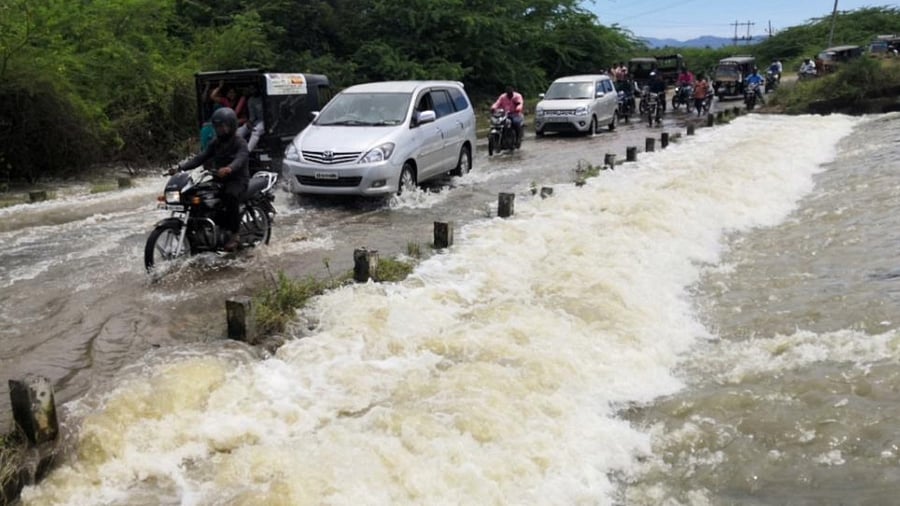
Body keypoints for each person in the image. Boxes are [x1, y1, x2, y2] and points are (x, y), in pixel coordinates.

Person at [170, 107, 249, 252]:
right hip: (218, 178)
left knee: (230, 196)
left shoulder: (240, 142)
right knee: (197, 195)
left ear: (231, 125)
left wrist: (229, 168)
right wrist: (180, 167)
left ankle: (235, 235)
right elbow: (201, 157)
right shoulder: (216, 142)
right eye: (217, 126)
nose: (220, 129)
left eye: (223, 126)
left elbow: (240, 158)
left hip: (237, 180)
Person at [237, 84, 264, 152]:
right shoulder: (251, 100)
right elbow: (252, 116)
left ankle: (247, 151)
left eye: (254, 89)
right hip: (257, 120)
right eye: (251, 89)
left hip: (266, 121)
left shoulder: (263, 97)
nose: (252, 91)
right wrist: (249, 123)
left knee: (256, 131)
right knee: (240, 130)